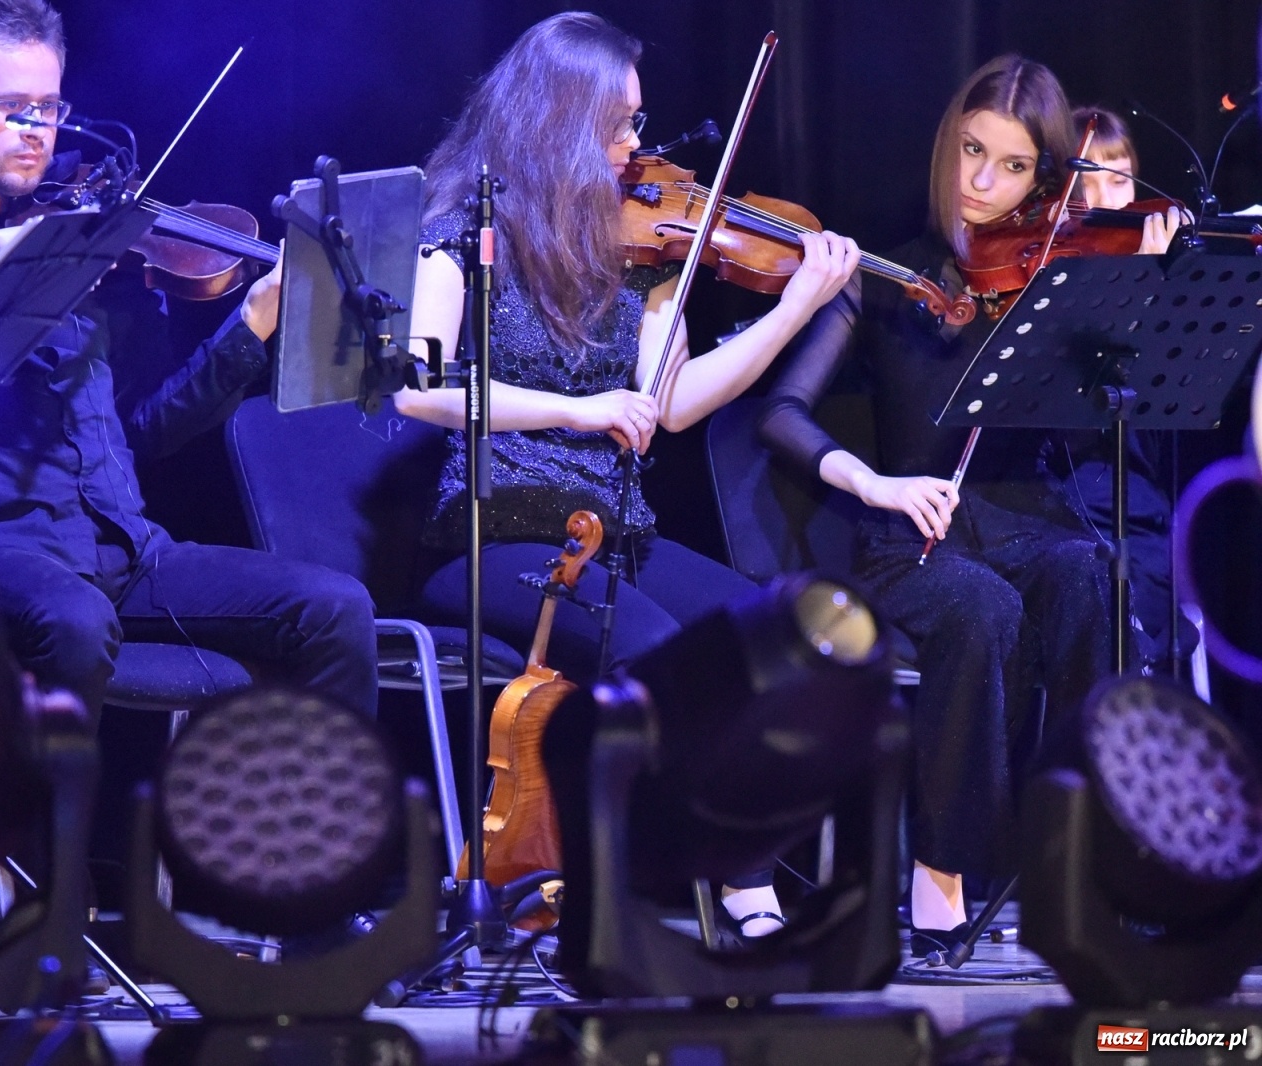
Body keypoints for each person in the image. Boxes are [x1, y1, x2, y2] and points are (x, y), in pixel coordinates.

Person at [392, 12, 859, 936]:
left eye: (635, 121)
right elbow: (420, 389)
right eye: (617, 125)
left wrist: (792, 310)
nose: (635, 145)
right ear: (558, 122)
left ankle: (732, 879)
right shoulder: (460, 233)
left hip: (615, 531)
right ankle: (731, 892)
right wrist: (576, 410)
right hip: (496, 535)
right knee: (662, 656)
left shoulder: (629, 248)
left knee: (768, 639)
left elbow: (673, 404)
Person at [0, 0, 379, 722]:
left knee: (336, 608)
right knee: (75, 620)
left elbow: (148, 428)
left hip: (126, 550)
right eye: (13, 107)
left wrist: (250, 327)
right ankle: (32, 802)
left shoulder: (91, 244)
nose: (38, 131)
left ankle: (322, 799)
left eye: (50, 108)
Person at [757, 54, 1115, 957]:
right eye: (971, 151)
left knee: (1090, 576)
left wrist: (1119, 297)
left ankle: (1076, 856)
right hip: (910, 539)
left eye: (1014, 166)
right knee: (978, 604)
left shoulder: (1050, 284)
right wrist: (872, 482)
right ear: (947, 142)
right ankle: (941, 872)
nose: (982, 184)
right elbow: (783, 413)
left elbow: (1091, 432)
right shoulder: (885, 276)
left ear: (1045, 182)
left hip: (1027, 526)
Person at [1053, 105, 1188, 673]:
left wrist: (1155, 282)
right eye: (1088, 183)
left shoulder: (1166, 274)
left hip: (1138, 503)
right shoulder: (1053, 275)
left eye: (1120, 181)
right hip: (1070, 499)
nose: (1106, 200)